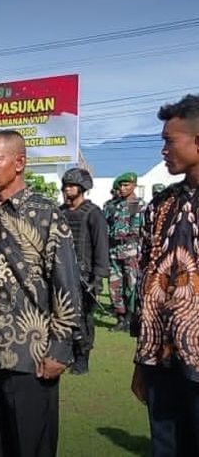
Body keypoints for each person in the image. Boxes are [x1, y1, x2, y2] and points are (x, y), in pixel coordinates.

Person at [0, 130, 82, 457]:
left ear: (19, 163)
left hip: (28, 356)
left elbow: (66, 283)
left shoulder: (45, 213)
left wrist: (60, 347)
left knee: (30, 447)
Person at [131, 95, 199, 456]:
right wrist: (143, 359)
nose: (162, 150)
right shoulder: (161, 204)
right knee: (166, 446)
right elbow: (147, 282)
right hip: (162, 358)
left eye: (170, 141)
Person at [60, 168, 109, 374]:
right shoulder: (60, 212)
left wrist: (97, 278)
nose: (67, 189)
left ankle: (83, 358)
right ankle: (68, 354)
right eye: (65, 185)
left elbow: (101, 246)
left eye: (71, 185)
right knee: (63, 317)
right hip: (63, 273)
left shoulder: (93, 212)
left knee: (83, 320)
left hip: (85, 276)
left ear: (82, 188)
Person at [103, 172, 144, 332]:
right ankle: (120, 318)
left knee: (132, 286)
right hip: (113, 250)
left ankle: (132, 318)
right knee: (114, 285)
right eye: (121, 185)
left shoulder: (139, 205)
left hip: (131, 251)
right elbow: (105, 226)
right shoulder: (112, 205)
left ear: (134, 185)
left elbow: (139, 229)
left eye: (126, 185)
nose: (123, 188)